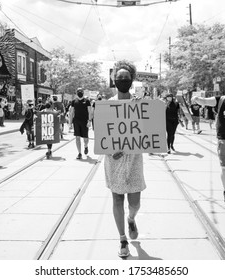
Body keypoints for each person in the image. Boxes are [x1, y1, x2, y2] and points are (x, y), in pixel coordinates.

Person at [104, 60, 146, 258]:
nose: (122, 81)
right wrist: (110, 151)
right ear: (114, 81)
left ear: (131, 81)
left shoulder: (139, 103)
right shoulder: (107, 105)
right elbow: (102, 136)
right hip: (114, 160)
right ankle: (122, 239)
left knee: (135, 202)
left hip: (134, 160)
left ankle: (131, 218)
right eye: (119, 78)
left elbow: (148, 128)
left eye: (126, 78)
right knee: (117, 197)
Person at [69, 88, 92, 159]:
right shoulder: (73, 101)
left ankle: (86, 146)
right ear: (76, 93)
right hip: (76, 121)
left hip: (85, 121)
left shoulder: (87, 101)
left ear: (83, 92)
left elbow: (90, 112)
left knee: (85, 138)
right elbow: (71, 112)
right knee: (77, 138)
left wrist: (89, 121)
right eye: (78, 91)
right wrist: (70, 123)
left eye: (81, 91)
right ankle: (79, 153)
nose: (79, 92)